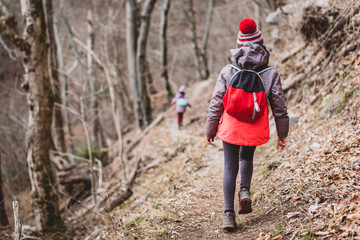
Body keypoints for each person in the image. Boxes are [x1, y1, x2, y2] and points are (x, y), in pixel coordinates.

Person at [205, 18, 289, 230]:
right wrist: (282, 132)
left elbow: (216, 102)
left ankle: (228, 214)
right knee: (246, 158)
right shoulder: (270, 73)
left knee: (229, 167)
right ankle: (245, 191)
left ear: (239, 45)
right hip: (253, 125)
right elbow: (279, 105)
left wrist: (210, 129)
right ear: (261, 44)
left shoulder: (227, 70)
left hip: (231, 126)